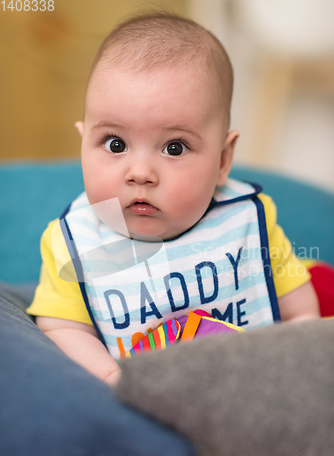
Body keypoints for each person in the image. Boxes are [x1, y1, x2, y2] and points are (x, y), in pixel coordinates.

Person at [27, 14, 319, 386]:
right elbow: (62, 329)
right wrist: (113, 378)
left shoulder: (245, 219)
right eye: (115, 144)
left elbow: (301, 314)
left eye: (174, 147)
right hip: (146, 402)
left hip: (252, 392)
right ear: (83, 143)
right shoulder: (78, 242)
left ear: (223, 160)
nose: (140, 172)